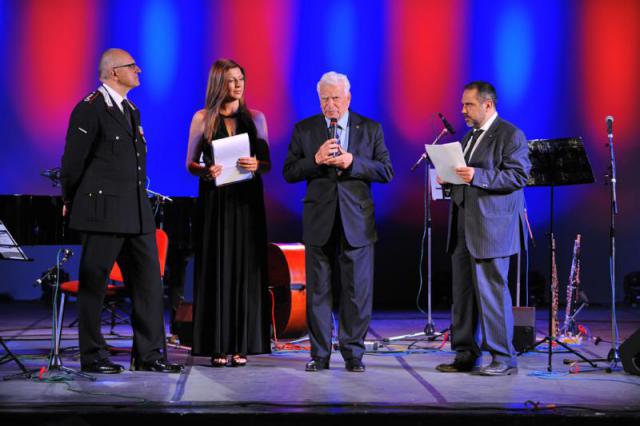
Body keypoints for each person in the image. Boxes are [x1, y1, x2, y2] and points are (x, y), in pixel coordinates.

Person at [60, 48, 183, 374]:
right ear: (114, 71)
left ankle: (149, 355)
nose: (139, 70)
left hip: (136, 212)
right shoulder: (91, 108)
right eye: (132, 66)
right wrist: (73, 202)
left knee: (149, 284)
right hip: (103, 212)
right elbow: (72, 163)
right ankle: (93, 356)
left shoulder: (130, 109)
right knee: (94, 283)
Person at [283, 72, 393, 373]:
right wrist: (315, 160)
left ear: (348, 98)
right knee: (318, 292)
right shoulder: (305, 129)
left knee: (357, 292)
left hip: (356, 221)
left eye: (335, 99)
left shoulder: (370, 129)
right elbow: (290, 172)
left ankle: (353, 353)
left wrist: (352, 162)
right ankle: (319, 354)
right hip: (319, 220)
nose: (329, 105)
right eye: (324, 99)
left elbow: (386, 170)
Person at [436, 81, 530, 376]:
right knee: (462, 294)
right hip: (464, 224)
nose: (462, 110)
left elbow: (517, 176)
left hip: (492, 228)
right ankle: (466, 353)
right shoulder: (467, 138)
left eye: (468, 105)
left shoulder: (510, 135)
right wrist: (448, 179)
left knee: (492, 292)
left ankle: (503, 358)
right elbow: (465, 178)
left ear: (487, 105)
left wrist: (477, 174)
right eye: (463, 104)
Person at [186, 59, 271, 367]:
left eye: (241, 79)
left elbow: (267, 163)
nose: (237, 85)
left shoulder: (257, 118)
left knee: (246, 270)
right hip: (215, 202)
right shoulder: (202, 119)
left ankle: (242, 344)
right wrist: (206, 170)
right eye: (231, 80)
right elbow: (190, 164)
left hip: (247, 202)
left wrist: (256, 165)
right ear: (218, 84)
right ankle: (216, 344)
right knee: (217, 267)